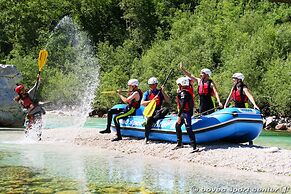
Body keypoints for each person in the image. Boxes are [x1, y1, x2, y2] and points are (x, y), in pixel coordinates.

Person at [14, 74, 45, 140]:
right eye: (22, 89)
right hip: (30, 113)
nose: (24, 90)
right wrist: (28, 110)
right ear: (20, 92)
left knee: (38, 124)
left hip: (37, 111)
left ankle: (38, 138)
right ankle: (28, 138)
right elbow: (23, 110)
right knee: (27, 126)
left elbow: (36, 86)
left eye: (23, 88)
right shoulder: (20, 101)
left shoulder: (30, 93)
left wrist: (38, 79)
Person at [173, 77, 199, 153]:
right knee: (177, 126)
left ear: (182, 84)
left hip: (186, 113)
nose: (178, 86)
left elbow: (183, 105)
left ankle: (194, 147)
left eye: (179, 84)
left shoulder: (183, 93)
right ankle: (179, 143)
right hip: (184, 112)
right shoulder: (186, 91)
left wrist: (179, 116)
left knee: (188, 128)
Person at [141, 77, 170, 143]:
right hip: (150, 110)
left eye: (153, 85)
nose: (151, 86)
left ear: (156, 85)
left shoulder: (160, 92)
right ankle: (146, 137)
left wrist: (163, 92)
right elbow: (142, 103)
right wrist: (152, 100)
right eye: (150, 85)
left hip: (157, 110)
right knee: (149, 119)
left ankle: (153, 120)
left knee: (166, 109)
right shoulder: (147, 93)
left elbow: (168, 101)